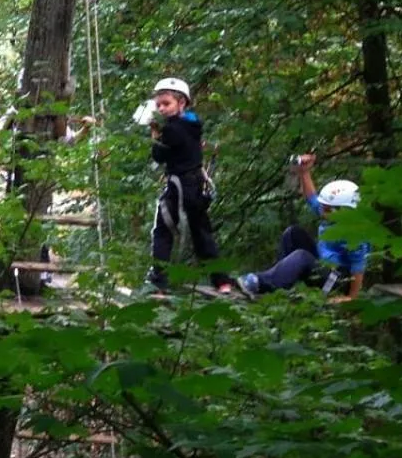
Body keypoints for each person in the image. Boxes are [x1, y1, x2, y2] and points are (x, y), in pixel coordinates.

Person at [238, 156, 369, 300]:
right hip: (323, 266)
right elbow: (312, 198)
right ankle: (279, 280)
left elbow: (358, 267)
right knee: (293, 233)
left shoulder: (355, 234)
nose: (322, 211)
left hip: (336, 281)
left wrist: (350, 298)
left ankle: (261, 283)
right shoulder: (332, 216)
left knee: (302, 256)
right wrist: (304, 172)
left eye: (327, 209)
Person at [145, 77, 230, 293]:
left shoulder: (172, 129)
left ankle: (158, 280)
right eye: (159, 105)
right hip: (195, 185)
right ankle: (222, 281)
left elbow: (159, 156)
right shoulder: (193, 125)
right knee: (202, 232)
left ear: (181, 103)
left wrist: (155, 135)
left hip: (179, 187)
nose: (161, 109)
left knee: (162, 231)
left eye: (166, 104)